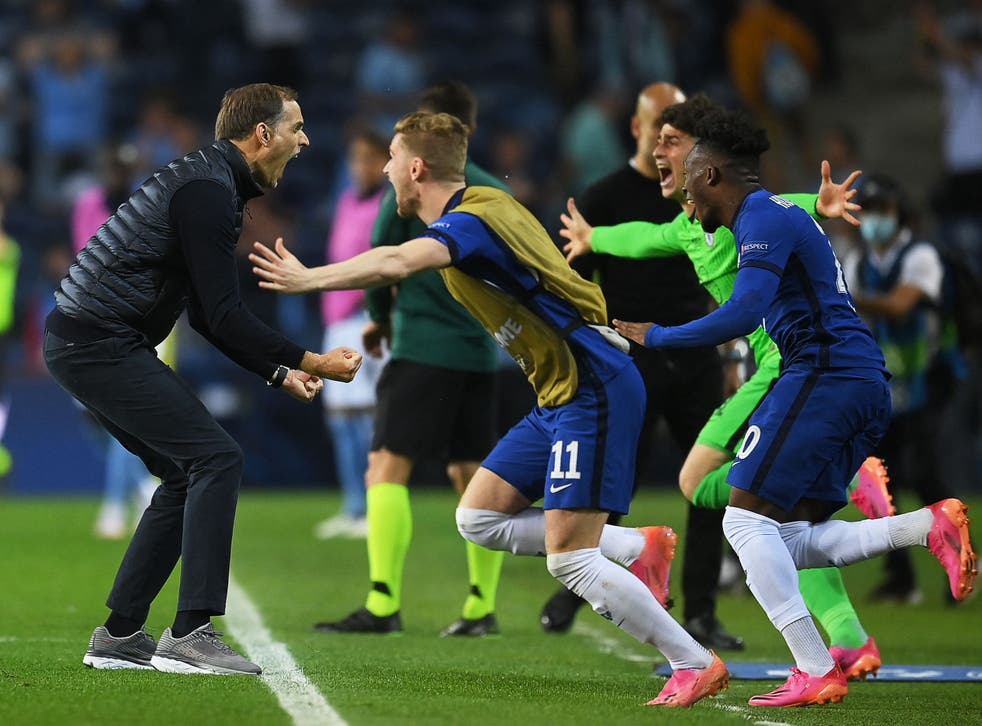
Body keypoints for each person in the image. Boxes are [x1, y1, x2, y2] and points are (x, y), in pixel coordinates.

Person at [252, 110, 730, 709]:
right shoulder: (485, 202)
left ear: (417, 167)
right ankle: (637, 549)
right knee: (476, 519)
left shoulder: (471, 222)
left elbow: (397, 262)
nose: (386, 169)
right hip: (559, 391)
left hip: (593, 385)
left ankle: (692, 661)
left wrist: (307, 279)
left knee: (571, 561)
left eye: (393, 159)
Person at [612, 104, 977, 707]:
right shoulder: (773, 213)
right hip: (853, 380)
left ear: (710, 176)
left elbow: (746, 310)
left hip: (823, 376)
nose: (688, 205)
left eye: (692, 187)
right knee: (785, 533)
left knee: (740, 518)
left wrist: (660, 336)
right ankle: (926, 525)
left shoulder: (760, 217)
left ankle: (813, 666)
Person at [562, 93, 892, 680]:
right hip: (777, 367)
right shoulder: (691, 229)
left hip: (787, 370)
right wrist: (594, 239)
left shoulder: (756, 214)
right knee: (750, 502)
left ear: (703, 161)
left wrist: (821, 200)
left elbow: (785, 210)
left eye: (670, 143)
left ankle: (834, 639)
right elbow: (639, 236)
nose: (659, 153)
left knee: (744, 505)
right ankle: (847, 636)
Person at [45, 83, 363, 676]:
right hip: (99, 342)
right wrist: (310, 360)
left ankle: (118, 635)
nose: (305, 140)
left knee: (181, 472)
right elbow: (221, 315)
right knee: (217, 459)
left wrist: (278, 370)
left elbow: (204, 316)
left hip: (86, 339)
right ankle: (191, 632)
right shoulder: (209, 193)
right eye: (296, 127)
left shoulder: (208, 183)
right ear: (262, 135)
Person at [542, 82, 742, 653]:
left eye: (677, 134)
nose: (664, 143)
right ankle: (576, 587)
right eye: (660, 128)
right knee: (612, 484)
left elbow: (721, 276)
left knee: (706, 485)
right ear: (637, 128)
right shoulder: (604, 197)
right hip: (629, 360)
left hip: (697, 353)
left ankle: (701, 610)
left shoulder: (700, 191)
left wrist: (728, 354)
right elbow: (574, 280)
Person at [311, 81, 507, 637]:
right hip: (480, 350)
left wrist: (380, 316)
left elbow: (383, 256)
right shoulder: (494, 192)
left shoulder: (411, 183)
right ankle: (479, 606)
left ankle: (382, 602)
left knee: (385, 468)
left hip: (423, 345)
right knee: (471, 473)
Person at [845, 174, 965, 603]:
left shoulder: (921, 256)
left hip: (929, 376)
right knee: (882, 480)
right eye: (869, 211)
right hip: (885, 382)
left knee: (925, 471)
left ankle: (958, 555)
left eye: (883, 210)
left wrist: (849, 298)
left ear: (899, 214)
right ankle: (901, 576)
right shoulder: (860, 262)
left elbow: (900, 304)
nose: (875, 219)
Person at [313, 127, 390, 540]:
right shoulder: (346, 201)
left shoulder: (387, 204)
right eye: (355, 158)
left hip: (365, 318)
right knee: (339, 418)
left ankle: (372, 507)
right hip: (337, 317)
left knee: (364, 416)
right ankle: (353, 506)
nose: (360, 166)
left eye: (368, 158)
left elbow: (382, 262)